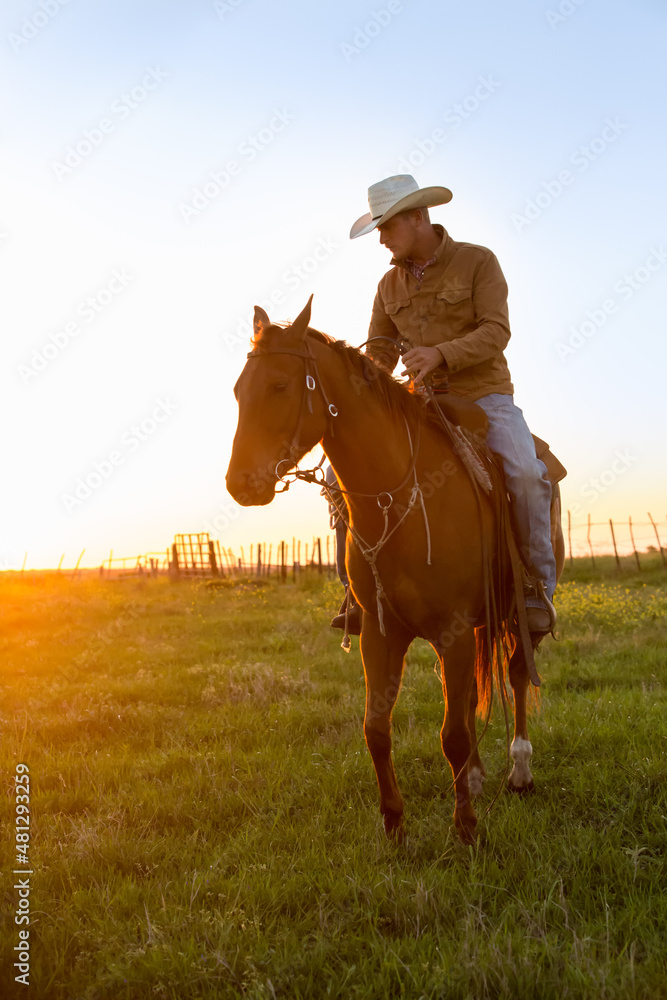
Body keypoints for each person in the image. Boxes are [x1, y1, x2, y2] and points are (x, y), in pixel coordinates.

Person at [330, 173, 556, 637]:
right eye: (378, 230)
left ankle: (535, 587)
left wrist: (440, 354)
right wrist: (364, 381)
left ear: (418, 217)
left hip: (484, 395)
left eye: (387, 227)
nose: (382, 240)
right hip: (420, 403)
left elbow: (497, 331)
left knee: (527, 474)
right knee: (337, 475)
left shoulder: (477, 262)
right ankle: (356, 590)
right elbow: (380, 349)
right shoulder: (386, 286)